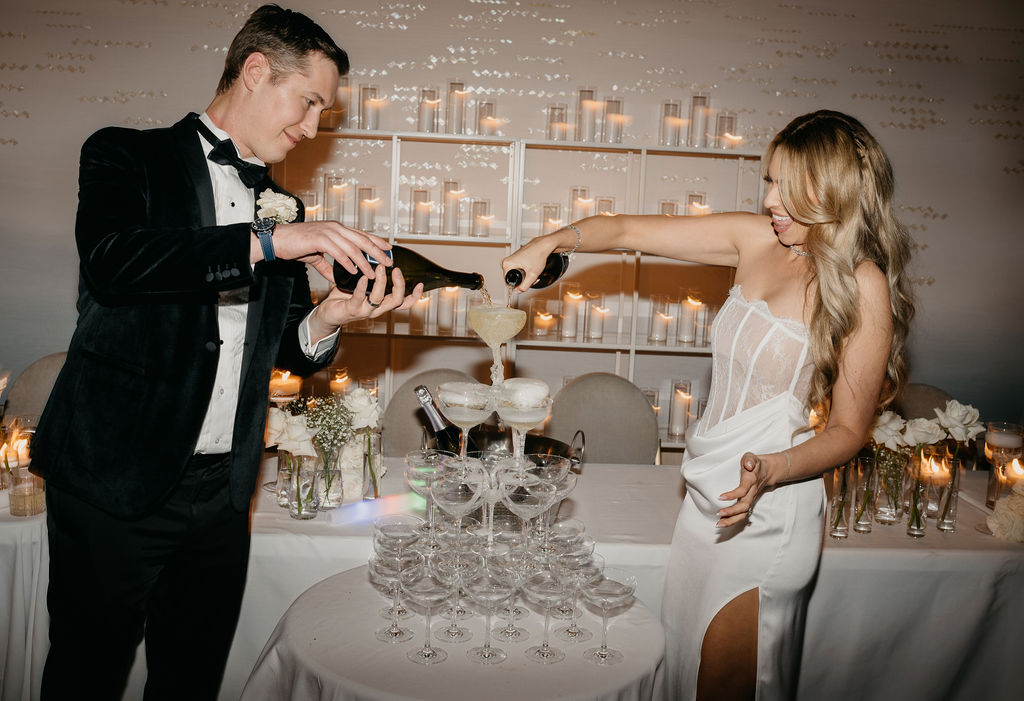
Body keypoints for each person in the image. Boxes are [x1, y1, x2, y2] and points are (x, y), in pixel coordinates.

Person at [30, 6, 421, 699]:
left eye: (321, 116)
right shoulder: (126, 154)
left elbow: (288, 349)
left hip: (222, 496)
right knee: (85, 675)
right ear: (255, 69)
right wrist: (270, 243)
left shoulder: (284, 206)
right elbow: (116, 264)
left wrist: (331, 314)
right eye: (309, 103)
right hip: (113, 479)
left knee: (191, 679)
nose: (309, 128)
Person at [503, 110, 913, 700]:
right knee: (685, 667)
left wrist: (773, 468)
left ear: (833, 190)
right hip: (705, 498)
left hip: (770, 508)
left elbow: (850, 430)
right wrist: (555, 239)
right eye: (768, 180)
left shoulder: (861, 280)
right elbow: (623, 230)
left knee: (725, 682)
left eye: (784, 185)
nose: (770, 198)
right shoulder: (755, 237)